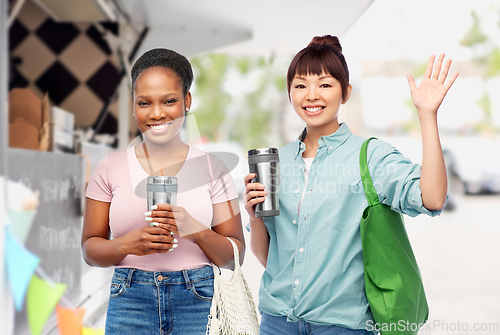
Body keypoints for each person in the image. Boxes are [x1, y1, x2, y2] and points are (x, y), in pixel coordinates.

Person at [243, 35, 458, 334]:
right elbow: (273, 261)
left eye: (325, 84)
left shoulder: (370, 156)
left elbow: (433, 198)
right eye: (300, 85)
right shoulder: (277, 163)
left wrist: (427, 115)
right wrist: (254, 217)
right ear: (289, 93)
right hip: (277, 321)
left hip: (341, 325)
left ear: (346, 93)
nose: (311, 95)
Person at [82, 48, 245, 335]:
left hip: (199, 300)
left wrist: (196, 230)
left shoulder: (214, 168)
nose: (156, 113)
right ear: (133, 106)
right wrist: (126, 244)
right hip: (130, 299)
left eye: (169, 101)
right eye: (144, 103)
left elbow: (235, 255)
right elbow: (90, 249)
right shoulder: (108, 168)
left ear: (187, 101)